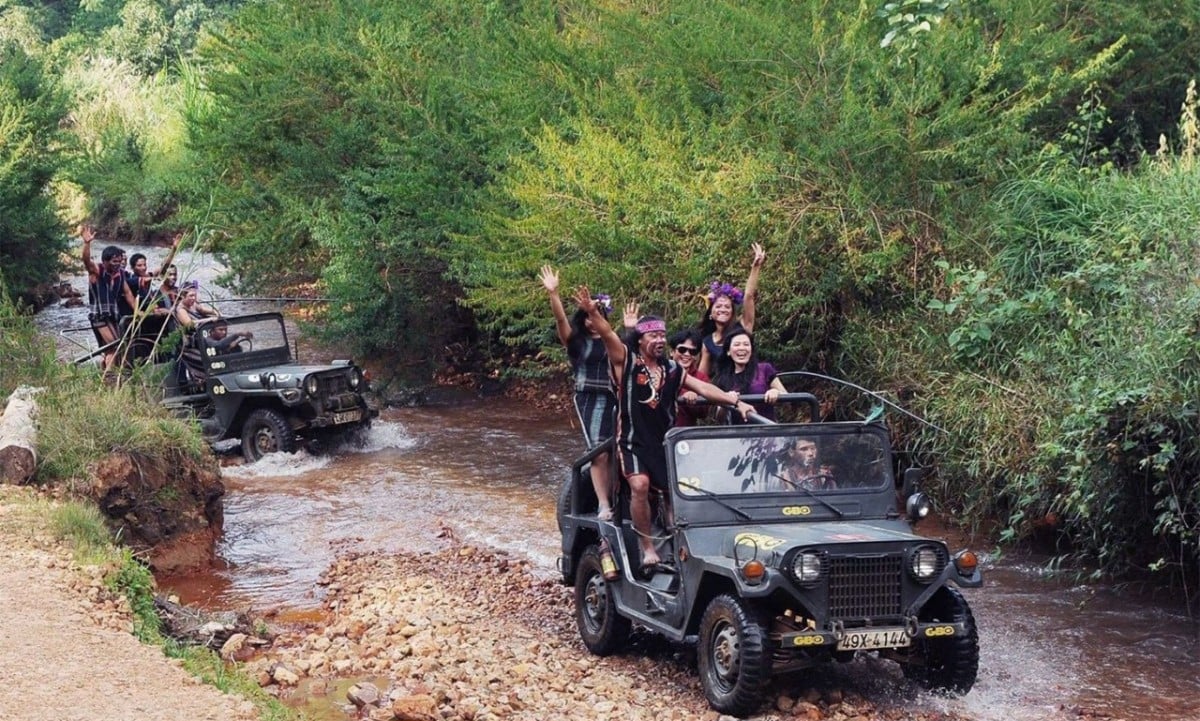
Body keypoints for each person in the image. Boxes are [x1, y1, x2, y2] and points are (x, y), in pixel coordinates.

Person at [574, 285, 755, 568]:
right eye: (653, 335)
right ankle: (647, 547)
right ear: (641, 339)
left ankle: (681, 543)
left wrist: (736, 403)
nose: (660, 340)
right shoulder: (627, 362)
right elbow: (608, 335)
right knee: (640, 484)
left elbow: (704, 388)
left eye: (662, 334)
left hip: (664, 442)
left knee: (676, 495)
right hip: (632, 441)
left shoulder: (672, 369)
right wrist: (592, 312)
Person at [540, 265, 617, 520]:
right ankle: (603, 504)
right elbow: (561, 321)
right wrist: (554, 294)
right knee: (599, 451)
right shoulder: (577, 341)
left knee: (623, 449)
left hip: (616, 397)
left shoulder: (613, 340)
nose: (591, 321)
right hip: (590, 398)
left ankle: (620, 497)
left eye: (596, 315)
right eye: (587, 316)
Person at [697, 242, 766, 377]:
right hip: (726, 389)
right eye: (718, 306)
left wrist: (756, 267)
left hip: (750, 385)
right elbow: (702, 376)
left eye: (727, 307)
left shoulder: (742, 328)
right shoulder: (707, 342)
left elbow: (749, 296)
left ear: (732, 312)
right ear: (711, 312)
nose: (723, 309)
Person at [80, 225, 138, 371]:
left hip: (113, 316)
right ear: (105, 261)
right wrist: (87, 244)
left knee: (114, 349)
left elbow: (128, 294)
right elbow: (86, 261)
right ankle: (109, 378)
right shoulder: (97, 271)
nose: (117, 264)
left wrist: (138, 312)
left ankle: (106, 373)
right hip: (99, 317)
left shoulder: (120, 275)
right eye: (114, 262)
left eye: (119, 261)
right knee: (115, 345)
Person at [712, 327, 786, 423]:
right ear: (728, 351)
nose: (742, 348)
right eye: (737, 345)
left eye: (746, 344)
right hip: (738, 434)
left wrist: (776, 392)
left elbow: (786, 397)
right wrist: (726, 400)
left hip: (767, 431)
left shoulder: (764, 369)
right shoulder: (723, 378)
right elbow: (719, 418)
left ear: (751, 349)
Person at [669, 328, 709, 427]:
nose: (687, 354)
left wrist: (694, 400)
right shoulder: (660, 370)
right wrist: (683, 393)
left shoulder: (701, 378)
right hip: (657, 433)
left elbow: (704, 413)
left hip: (683, 436)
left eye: (692, 351)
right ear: (672, 352)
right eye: (682, 349)